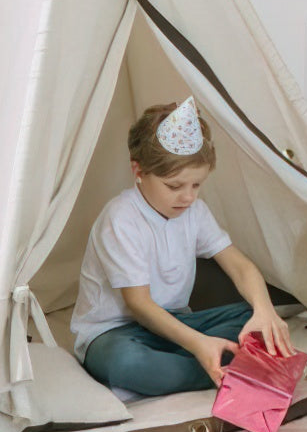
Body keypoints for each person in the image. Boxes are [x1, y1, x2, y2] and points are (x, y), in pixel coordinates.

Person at [70, 97, 294, 396]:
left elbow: (240, 267)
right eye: (174, 186)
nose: (188, 197)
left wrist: (264, 312)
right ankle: (218, 364)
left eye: (196, 185)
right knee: (128, 363)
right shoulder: (120, 218)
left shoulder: (195, 211)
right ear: (138, 171)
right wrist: (199, 344)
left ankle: (207, 360)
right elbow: (140, 305)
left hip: (176, 324)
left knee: (253, 318)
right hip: (117, 333)